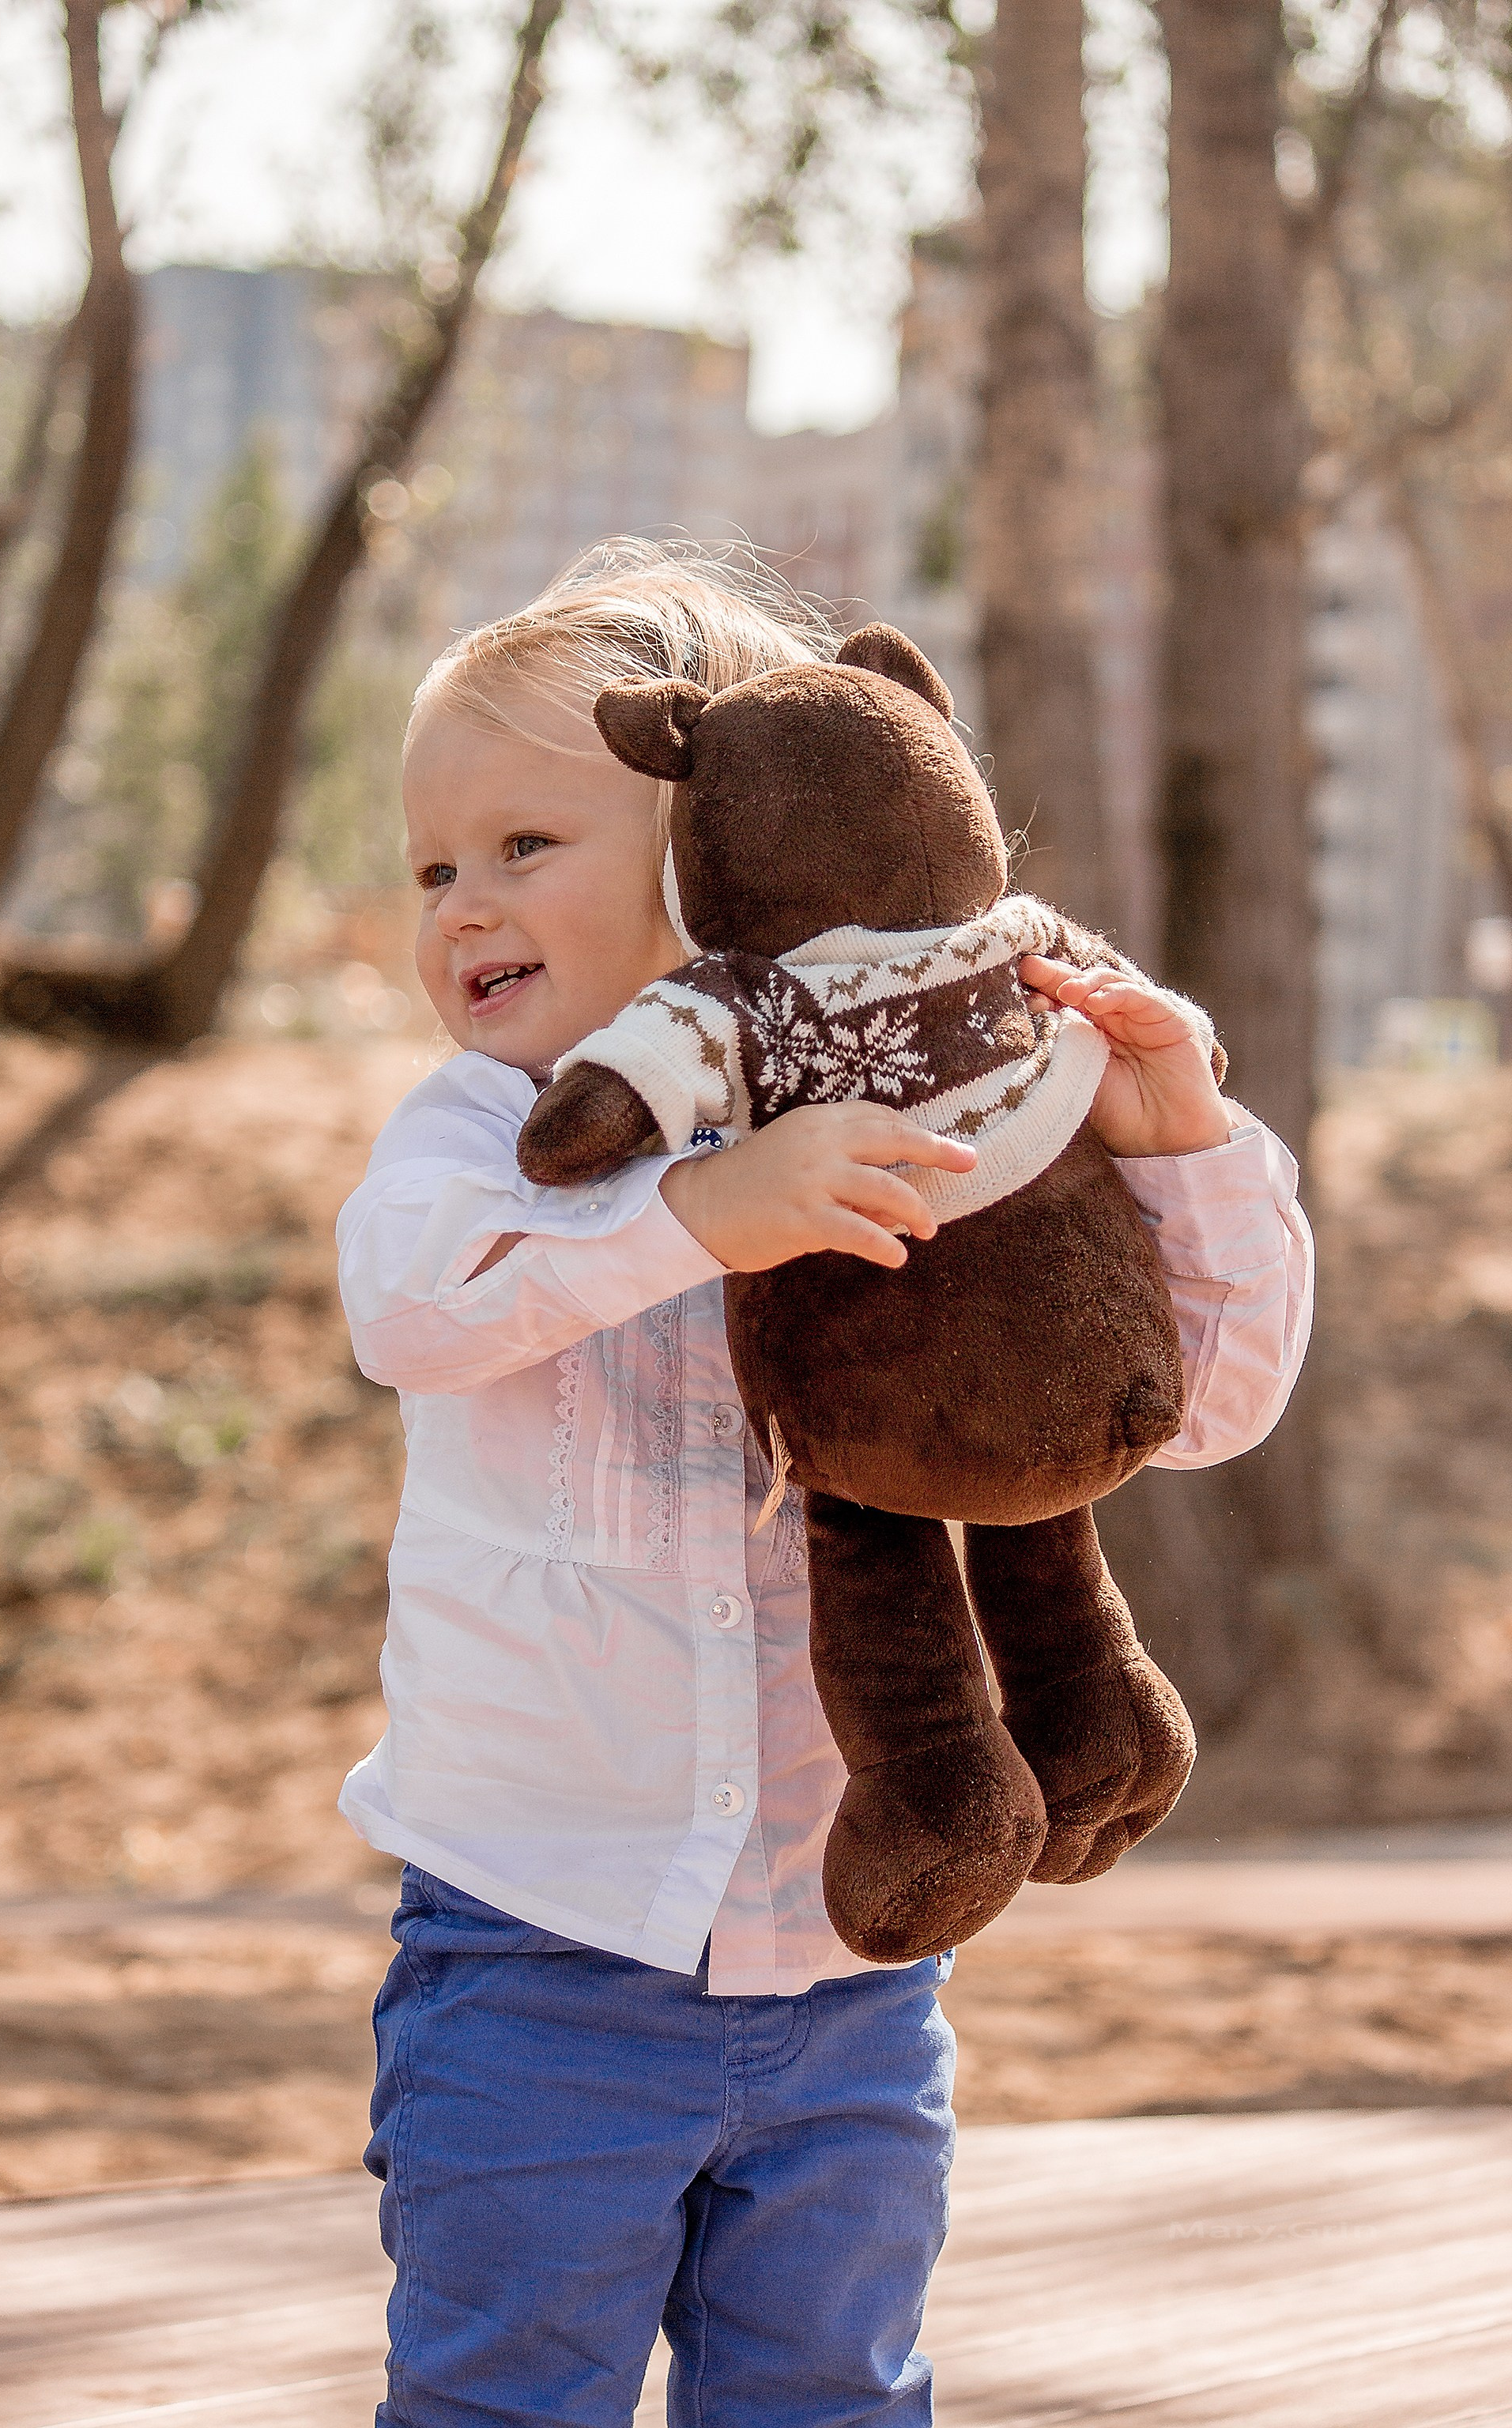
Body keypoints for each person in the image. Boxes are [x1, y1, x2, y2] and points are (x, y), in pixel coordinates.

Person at [335, 539, 1313, 2428]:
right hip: (539, 1949)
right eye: (433, 865)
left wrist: (1178, 1134)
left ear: (726, 855)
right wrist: (694, 1212)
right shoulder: (472, 1138)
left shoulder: (942, 1133)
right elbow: (414, 1314)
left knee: (830, 2395)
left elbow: (1200, 1407)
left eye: (527, 846)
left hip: (852, 1965)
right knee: (495, 2396)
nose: (463, 904)